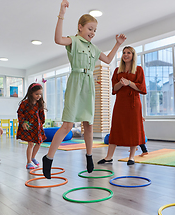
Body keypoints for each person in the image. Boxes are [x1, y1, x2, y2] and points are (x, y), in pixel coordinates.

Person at [42, 0, 126, 179]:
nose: (93, 33)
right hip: (76, 82)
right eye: (90, 29)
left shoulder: (94, 48)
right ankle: (48, 158)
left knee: (88, 124)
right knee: (67, 125)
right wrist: (61, 13)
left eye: (95, 30)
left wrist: (117, 44)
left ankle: (89, 157)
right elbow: (57, 39)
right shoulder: (73, 41)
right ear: (80, 27)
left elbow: (108, 59)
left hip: (89, 84)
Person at [98, 46, 146, 166]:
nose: (125, 55)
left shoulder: (139, 70)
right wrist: (121, 83)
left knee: (134, 129)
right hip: (120, 104)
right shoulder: (117, 71)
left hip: (133, 104)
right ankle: (109, 157)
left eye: (128, 53)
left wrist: (129, 83)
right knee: (116, 128)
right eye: (124, 53)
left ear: (133, 55)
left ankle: (131, 157)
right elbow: (114, 89)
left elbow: (141, 88)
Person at [16, 83, 46, 169]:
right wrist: (23, 123)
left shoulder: (39, 103)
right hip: (28, 126)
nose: (39, 96)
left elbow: (42, 115)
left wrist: (41, 124)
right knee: (30, 144)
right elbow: (20, 113)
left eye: (40, 94)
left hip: (37, 127)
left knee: (39, 143)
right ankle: (28, 162)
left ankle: (33, 157)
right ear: (31, 93)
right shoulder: (24, 103)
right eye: (36, 94)